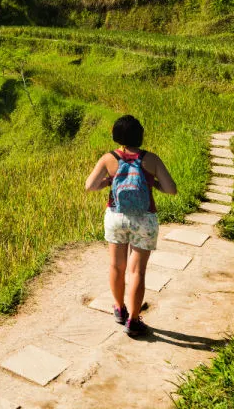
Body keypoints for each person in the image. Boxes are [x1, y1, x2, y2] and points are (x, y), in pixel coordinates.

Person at [84, 115, 177, 338]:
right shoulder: (151, 159)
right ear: (140, 135)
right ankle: (133, 321)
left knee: (117, 267)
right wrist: (152, 182)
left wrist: (109, 181)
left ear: (116, 136)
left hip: (116, 216)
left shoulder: (109, 158)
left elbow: (90, 185)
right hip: (144, 219)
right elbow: (171, 189)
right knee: (137, 271)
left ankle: (119, 309)